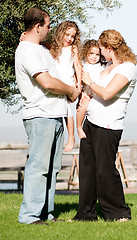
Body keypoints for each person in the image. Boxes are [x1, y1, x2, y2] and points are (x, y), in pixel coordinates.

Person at [15, 8, 80, 225]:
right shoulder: (28, 50)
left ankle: (46, 214)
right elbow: (47, 82)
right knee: (39, 168)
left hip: (55, 116)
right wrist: (71, 91)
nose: (50, 28)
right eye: (48, 25)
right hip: (40, 116)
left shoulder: (40, 49)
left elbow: (57, 65)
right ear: (37, 27)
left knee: (52, 170)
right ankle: (29, 216)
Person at [72, 29, 137, 222]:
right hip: (90, 123)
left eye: (101, 48)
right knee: (87, 169)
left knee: (104, 170)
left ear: (109, 47)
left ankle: (119, 213)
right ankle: (85, 214)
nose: (100, 52)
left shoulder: (127, 68)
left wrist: (89, 82)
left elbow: (108, 93)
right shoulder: (107, 66)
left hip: (108, 126)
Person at [49, 21, 82, 152]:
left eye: (72, 36)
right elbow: (38, 44)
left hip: (68, 83)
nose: (69, 38)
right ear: (60, 33)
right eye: (67, 34)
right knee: (56, 108)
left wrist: (78, 84)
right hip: (56, 82)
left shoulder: (73, 49)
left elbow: (78, 66)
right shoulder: (53, 47)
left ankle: (71, 137)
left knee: (68, 111)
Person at [76, 40, 105, 139]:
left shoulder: (101, 67)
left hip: (97, 94)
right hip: (87, 93)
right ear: (86, 53)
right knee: (83, 107)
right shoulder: (84, 66)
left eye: (97, 54)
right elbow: (79, 81)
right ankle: (79, 127)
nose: (94, 56)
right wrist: (81, 94)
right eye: (91, 53)